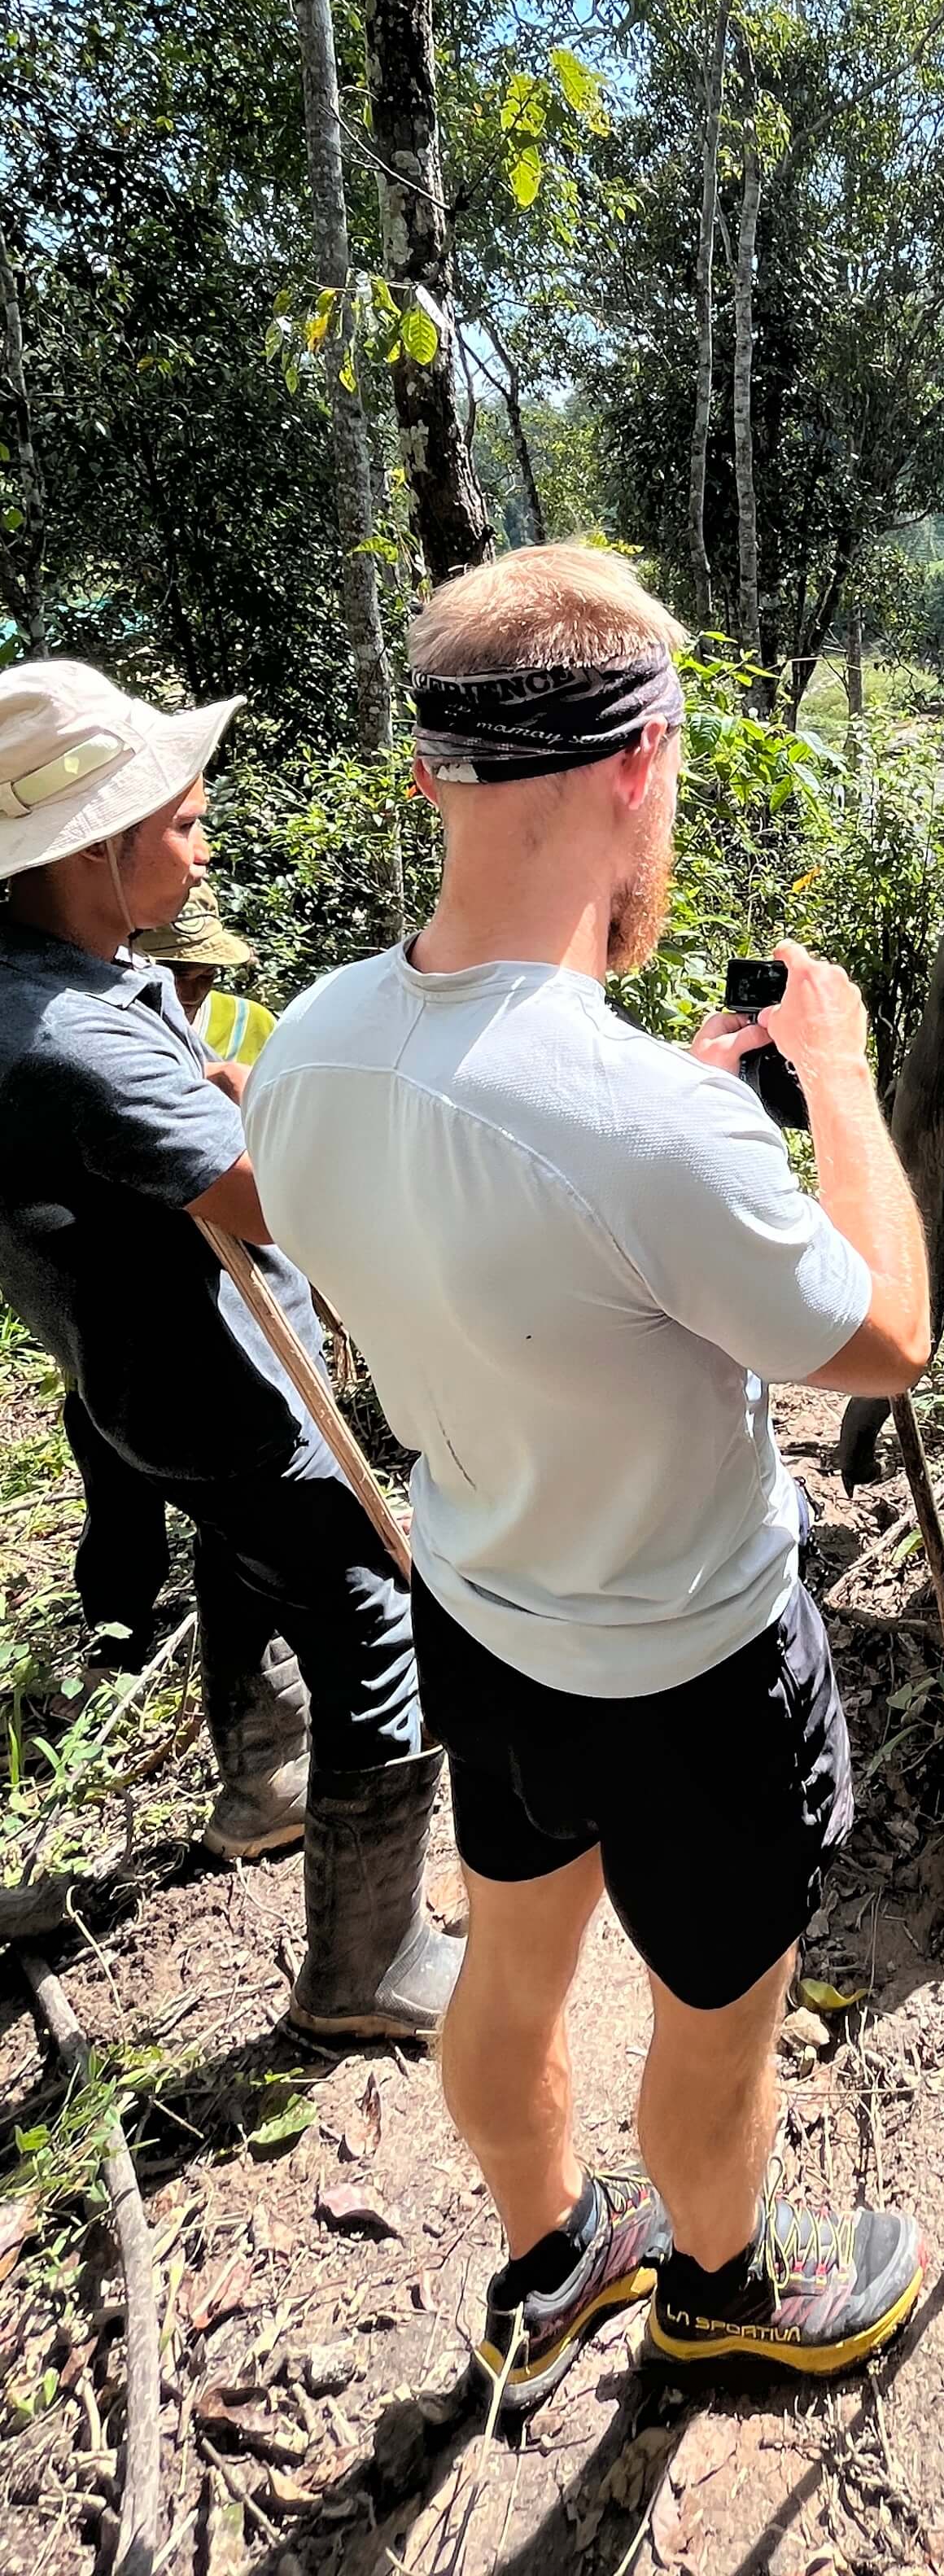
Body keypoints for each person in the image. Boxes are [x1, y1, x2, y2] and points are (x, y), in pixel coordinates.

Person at [245, 543, 933, 2415]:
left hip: (480, 1614)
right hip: (699, 1673)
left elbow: (495, 1214)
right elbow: (880, 1340)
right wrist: (842, 1083)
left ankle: (551, 2257)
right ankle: (721, 2289)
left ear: (434, 777)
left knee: (515, 1961)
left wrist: (678, 1142)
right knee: (717, 2039)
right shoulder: (652, 1125)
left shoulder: (303, 1048)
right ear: (642, 759)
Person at [0, 658, 458, 2042]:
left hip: (122, 1377)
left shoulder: (41, 981)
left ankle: (262, 1787)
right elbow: (284, 1204)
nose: (203, 848)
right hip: (217, 1384)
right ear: (94, 847)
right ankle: (362, 1968)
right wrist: (299, 1116)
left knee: (238, 1546)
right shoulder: (79, 1038)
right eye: (184, 824)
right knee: (373, 1612)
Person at [139, 881, 278, 1069]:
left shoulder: (251, 1021)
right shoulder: (114, 1023)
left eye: (207, 975)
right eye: (177, 975)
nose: (192, 994)